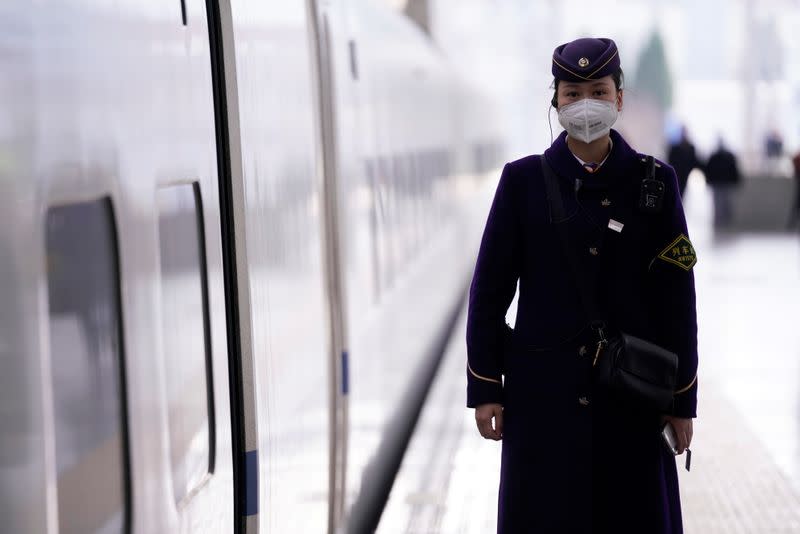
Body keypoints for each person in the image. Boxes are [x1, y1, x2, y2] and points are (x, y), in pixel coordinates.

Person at [466, 37, 698, 534]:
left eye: (597, 89)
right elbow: (488, 293)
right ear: (555, 101)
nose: (584, 103)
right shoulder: (521, 183)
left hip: (633, 407)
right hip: (542, 409)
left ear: (619, 97)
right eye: (572, 93)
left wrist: (682, 402)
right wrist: (486, 387)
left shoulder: (655, 185)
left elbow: (678, 300)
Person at [704, 138, 741, 228]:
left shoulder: (723, 156)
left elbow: (734, 170)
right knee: (720, 203)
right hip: (719, 183)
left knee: (723, 203)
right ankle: (721, 222)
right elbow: (709, 170)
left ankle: (724, 222)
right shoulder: (720, 156)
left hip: (723, 183)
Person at [668, 126, 701, 196]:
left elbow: (694, 161)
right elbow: (670, 161)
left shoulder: (690, 147)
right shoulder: (675, 147)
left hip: (685, 174)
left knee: (681, 193)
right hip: (676, 174)